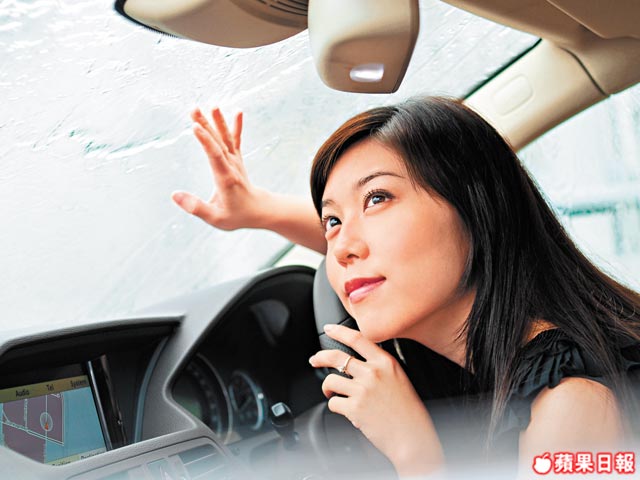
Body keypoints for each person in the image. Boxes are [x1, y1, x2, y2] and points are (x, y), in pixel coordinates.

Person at [172, 97, 640, 479]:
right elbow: (376, 250)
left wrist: (415, 452)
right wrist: (260, 210)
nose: (342, 249)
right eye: (331, 221)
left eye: (377, 198)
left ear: (477, 210)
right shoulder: (520, 357)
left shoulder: (571, 406)